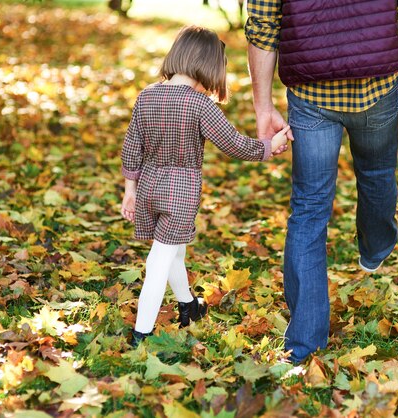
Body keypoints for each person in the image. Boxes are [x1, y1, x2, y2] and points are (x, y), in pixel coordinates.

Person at [245, 0, 398, 363]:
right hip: (376, 88)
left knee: (309, 209)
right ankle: (376, 247)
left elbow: (262, 26)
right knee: (377, 175)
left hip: (310, 94)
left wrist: (263, 107)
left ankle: (303, 345)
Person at [120, 25, 291, 347]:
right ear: (211, 66)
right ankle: (141, 334)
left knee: (173, 253)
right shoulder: (200, 105)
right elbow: (235, 144)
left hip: (148, 187)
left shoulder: (147, 96)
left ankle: (188, 306)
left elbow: (132, 147)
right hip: (179, 192)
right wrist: (270, 145)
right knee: (159, 260)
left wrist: (130, 190)